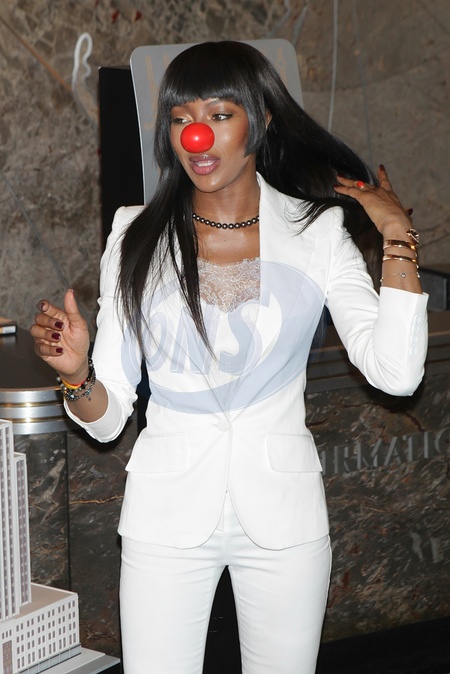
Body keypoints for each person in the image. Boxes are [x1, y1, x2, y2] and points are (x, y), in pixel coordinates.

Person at [30, 41, 428, 674]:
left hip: (284, 517)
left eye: (219, 114)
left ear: (260, 121)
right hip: (165, 518)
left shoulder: (317, 231)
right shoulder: (135, 233)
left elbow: (398, 375)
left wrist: (397, 236)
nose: (197, 136)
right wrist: (78, 375)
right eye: (182, 117)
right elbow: (107, 421)